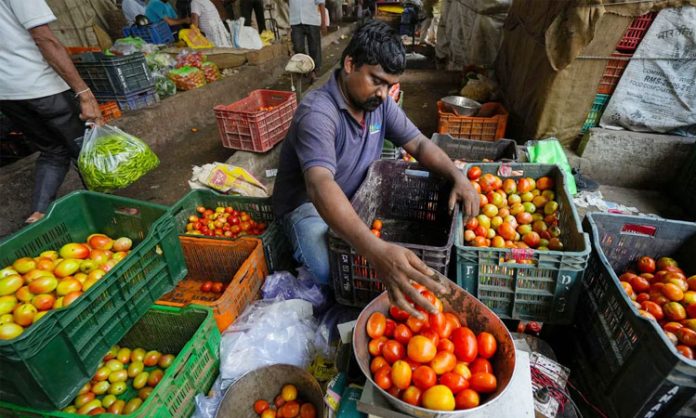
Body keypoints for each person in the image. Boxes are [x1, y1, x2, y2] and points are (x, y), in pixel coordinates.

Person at [272, 20, 479, 317]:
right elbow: (320, 186)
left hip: (355, 195)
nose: (384, 93)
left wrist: (457, 176)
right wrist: (376, 251)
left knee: (374, 257)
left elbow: (418, 144)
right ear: (349, 64)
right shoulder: (318, 113)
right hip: (308, 207)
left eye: (389, 85)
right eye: (376, 80)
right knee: (332, 268)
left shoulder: (377, 103)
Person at [0, 0, 102, 224]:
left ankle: (39, 214)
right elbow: (45, 39)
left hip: (8, 93)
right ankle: (111, 209)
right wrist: (83, 92)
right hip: (42, 86)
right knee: (87, 150)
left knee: (52, 151)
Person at [289, 0, 327, 80]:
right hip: (295, 21)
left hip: (312, 20)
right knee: (298, 47)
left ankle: (314, 71)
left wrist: (323, 22)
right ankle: (306, 69)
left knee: (314, 48)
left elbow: (321, 3)